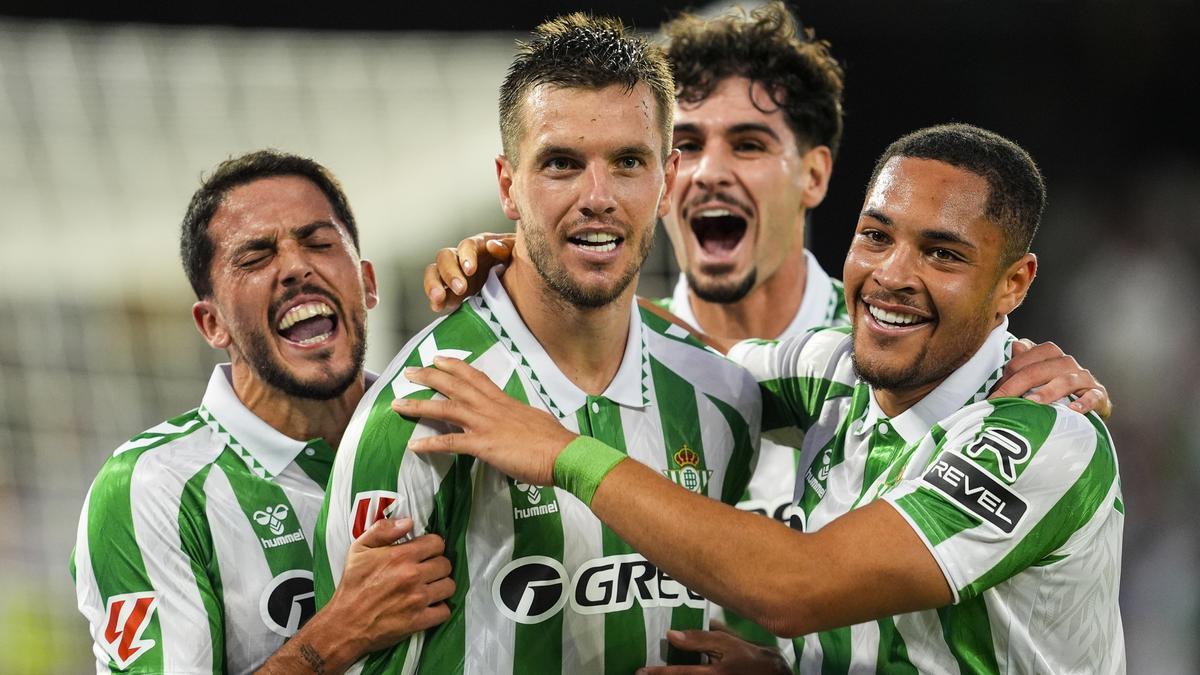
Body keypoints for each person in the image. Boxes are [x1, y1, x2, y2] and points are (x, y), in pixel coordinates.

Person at [423, 1, 1109, 657]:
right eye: (685, 144)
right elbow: (683, 359)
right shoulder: (813, 370)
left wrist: (563, 450)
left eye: (747, 144)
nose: (710, 171)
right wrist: (536, 267)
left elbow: (799, 585)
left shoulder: (980, 394)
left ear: (814, 176)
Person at [313, 14, 764, 673]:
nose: (599, 197)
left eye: (628, 162)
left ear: (666, 179)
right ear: (507, 185)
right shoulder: (417, 413)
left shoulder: (723, 396)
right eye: (561, 164)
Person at [71, 150, 455, 674]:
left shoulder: (447, 422)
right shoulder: (150, 488)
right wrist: (340, 632)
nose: (296, 267)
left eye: (319, 243)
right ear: (212, 324)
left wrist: (515, 290)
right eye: (255, 258)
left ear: (366, 282)